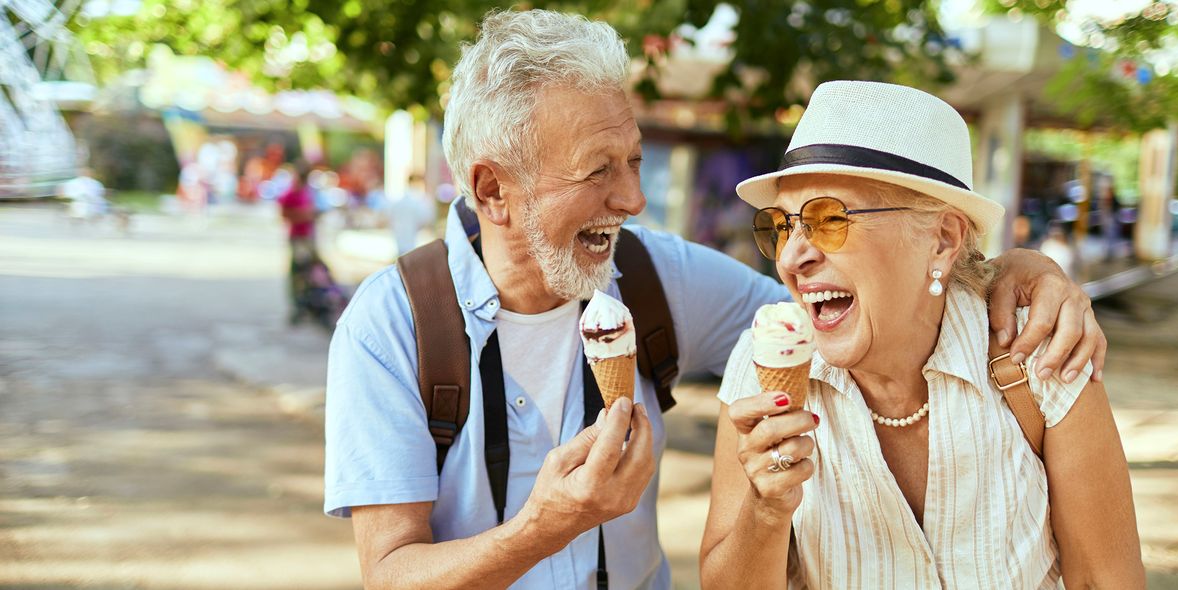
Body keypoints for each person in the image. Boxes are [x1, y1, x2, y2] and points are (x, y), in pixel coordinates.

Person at [324, 11, 1107, 589]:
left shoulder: (660, 280)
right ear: (493, 189)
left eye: (633, 160)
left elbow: (849, 301)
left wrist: (1018, 268)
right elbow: (390, 574)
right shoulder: (393, 328)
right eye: (599, 170)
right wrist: (550, 522)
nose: (632, 198)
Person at [700, 81, 1143, 589]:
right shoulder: (763, 360)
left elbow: (1105, 580)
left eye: (830, 220)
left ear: (943, 240)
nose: (790, 257)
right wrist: (766, 511)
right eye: (781, 225)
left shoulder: (1042, 350)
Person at [278, 161, 318, 324]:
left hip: (308, 237)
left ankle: (310, 304)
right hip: (298, 237)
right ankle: (298, 305)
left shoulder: (307, 192)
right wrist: (304, 215)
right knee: (298, 274)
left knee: (311, 273)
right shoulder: (291, 193)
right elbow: (284, 214)